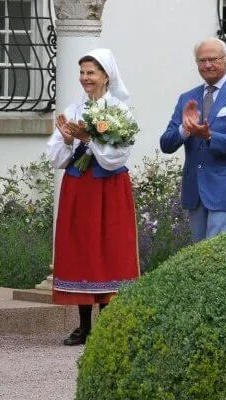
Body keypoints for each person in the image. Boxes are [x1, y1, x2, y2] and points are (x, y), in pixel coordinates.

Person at [46, 48, 140, 346]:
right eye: (83, 72)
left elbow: (117, 157)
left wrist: (88, 139)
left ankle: (107, 325)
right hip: (79, 187)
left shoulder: (121, 112)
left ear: (106, 76)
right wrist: (67, 139)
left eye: (91, 72)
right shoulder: (74, 109)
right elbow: (55, 159)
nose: (86, 78)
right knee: (81, 248)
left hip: (109, 187)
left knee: (110, 247)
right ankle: (84, 326)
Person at [160, 38, 226, 243]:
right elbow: (166, 144)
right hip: (195, 191)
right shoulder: (187, 97)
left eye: (213, 59)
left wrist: (210, 136)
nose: (207, 65)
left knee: (221, 260)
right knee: (199, 261)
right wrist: (184, 129)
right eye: (201, 60)